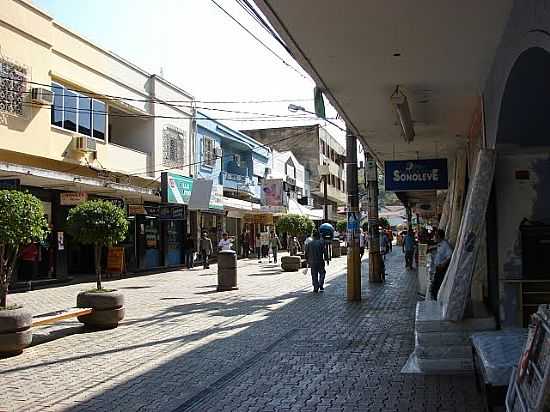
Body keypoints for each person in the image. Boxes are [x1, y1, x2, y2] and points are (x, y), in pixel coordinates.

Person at [430, 229, 453, 300]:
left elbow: (450, 254)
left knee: (438, 285)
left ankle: (437, 299)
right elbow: (438, 246)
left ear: (439, 236)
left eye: (436, 235)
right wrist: (432, 247)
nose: (434, 237)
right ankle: (435, 298)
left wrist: (443, 263)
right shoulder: (440, 244)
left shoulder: (445, 245)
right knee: (435, 286)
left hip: (441, 268)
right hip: (438, 267)